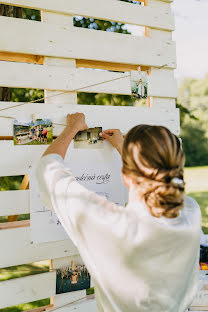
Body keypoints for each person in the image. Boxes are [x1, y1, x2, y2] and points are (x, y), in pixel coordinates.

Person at [36, 113, 201, 312]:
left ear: (125, 175)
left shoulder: (112, 226)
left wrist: (71, 128)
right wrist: (126, 150)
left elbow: (49, 172)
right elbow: (159, 180)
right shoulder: (190, 213)